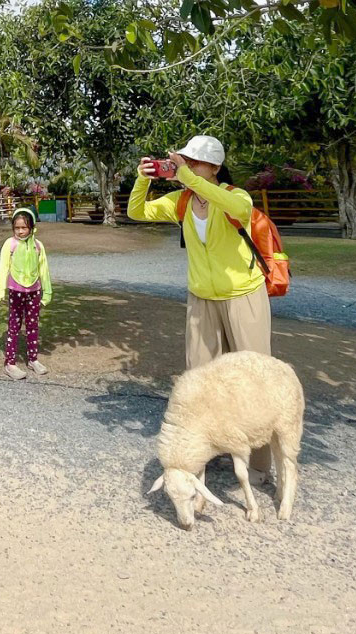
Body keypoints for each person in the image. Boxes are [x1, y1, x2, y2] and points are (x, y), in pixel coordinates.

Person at [127, 134, 272, 476]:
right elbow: (137, 211)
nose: (187, 166)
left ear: (216, 167)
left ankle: (260, 463)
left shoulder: (236, 196)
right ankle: (201, 456)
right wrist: (142, 178)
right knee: (198, 379)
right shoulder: (182, 201)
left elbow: (238, 209)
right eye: (185, 161)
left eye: (194, 162)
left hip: (243, 296)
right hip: (201, 298)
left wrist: (186, 177)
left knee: (254, 377)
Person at [0, 207, 52, 380]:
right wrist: (0, 290)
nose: (20, 231)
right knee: (14, 327)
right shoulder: (10, 244)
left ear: (32, 227)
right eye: (17, 228)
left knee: (33, 326)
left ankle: (33, 359)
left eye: (24, 227)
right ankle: (10, 363)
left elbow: (44, 270)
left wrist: (47, 292)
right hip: (16, 291)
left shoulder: (38, 246)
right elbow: (3, 267)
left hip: (34, 292)